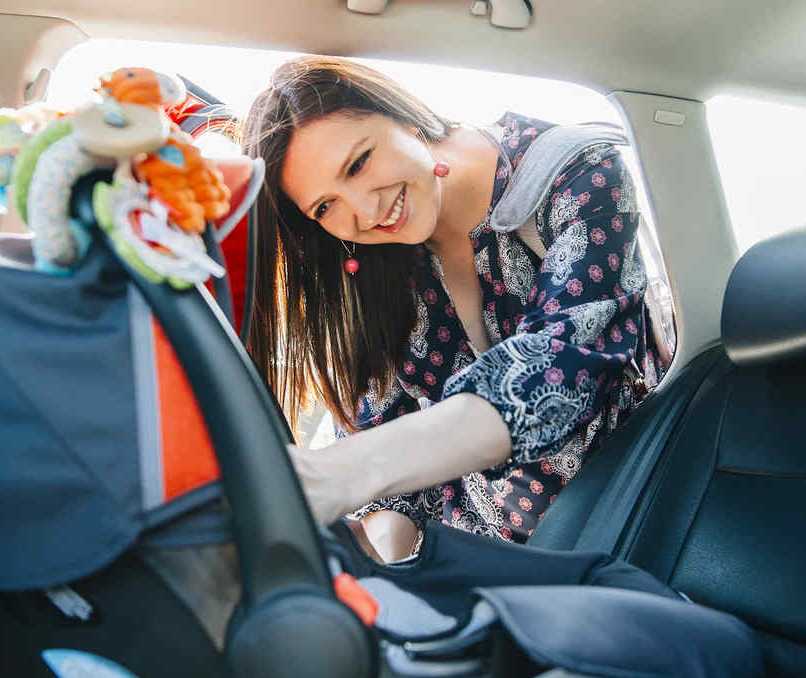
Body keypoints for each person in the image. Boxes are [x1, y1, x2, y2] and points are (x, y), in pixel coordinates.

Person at [242, 57, 664, 562]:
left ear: (402, 115)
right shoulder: (370, 266)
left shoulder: (577, 173)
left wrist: (338, 472)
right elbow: (385, 447)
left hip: (626, 523)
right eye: (326, 207)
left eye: (358, 163)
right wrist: (390, 571)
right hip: (476, 559)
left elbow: (561, 369)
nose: (366, 211)